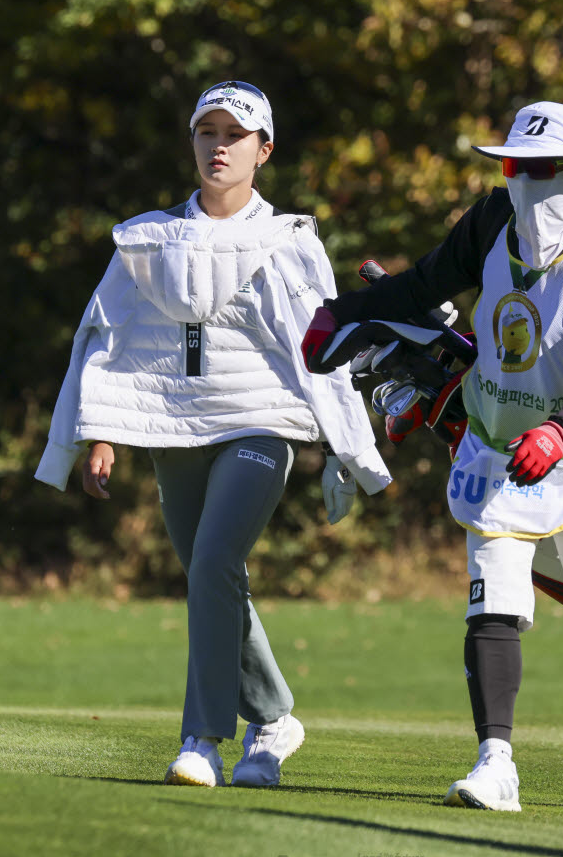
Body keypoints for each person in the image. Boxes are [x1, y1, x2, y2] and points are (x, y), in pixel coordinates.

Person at [302, 101, 563, 814]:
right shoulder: (489, 222)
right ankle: (494, 761)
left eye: (539, 170)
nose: (523, 183)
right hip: (496, 444)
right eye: (513, 168)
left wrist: (561, 432)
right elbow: (423, 284)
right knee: (493, 594)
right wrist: (345, 310)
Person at [35, 80, 392, 789]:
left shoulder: (290, 240)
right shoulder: (146, 239)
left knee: (212, 563)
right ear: (192, 140)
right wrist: (98, 434)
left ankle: (201, 739)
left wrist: (351, 449)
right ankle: (273, 721)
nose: (219, 145)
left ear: (264, 150)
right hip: (174, 429)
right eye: (208, 131)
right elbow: (112, 341)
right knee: (212, 578)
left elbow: (323, 349)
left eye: (235, 134)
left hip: (262, 425)